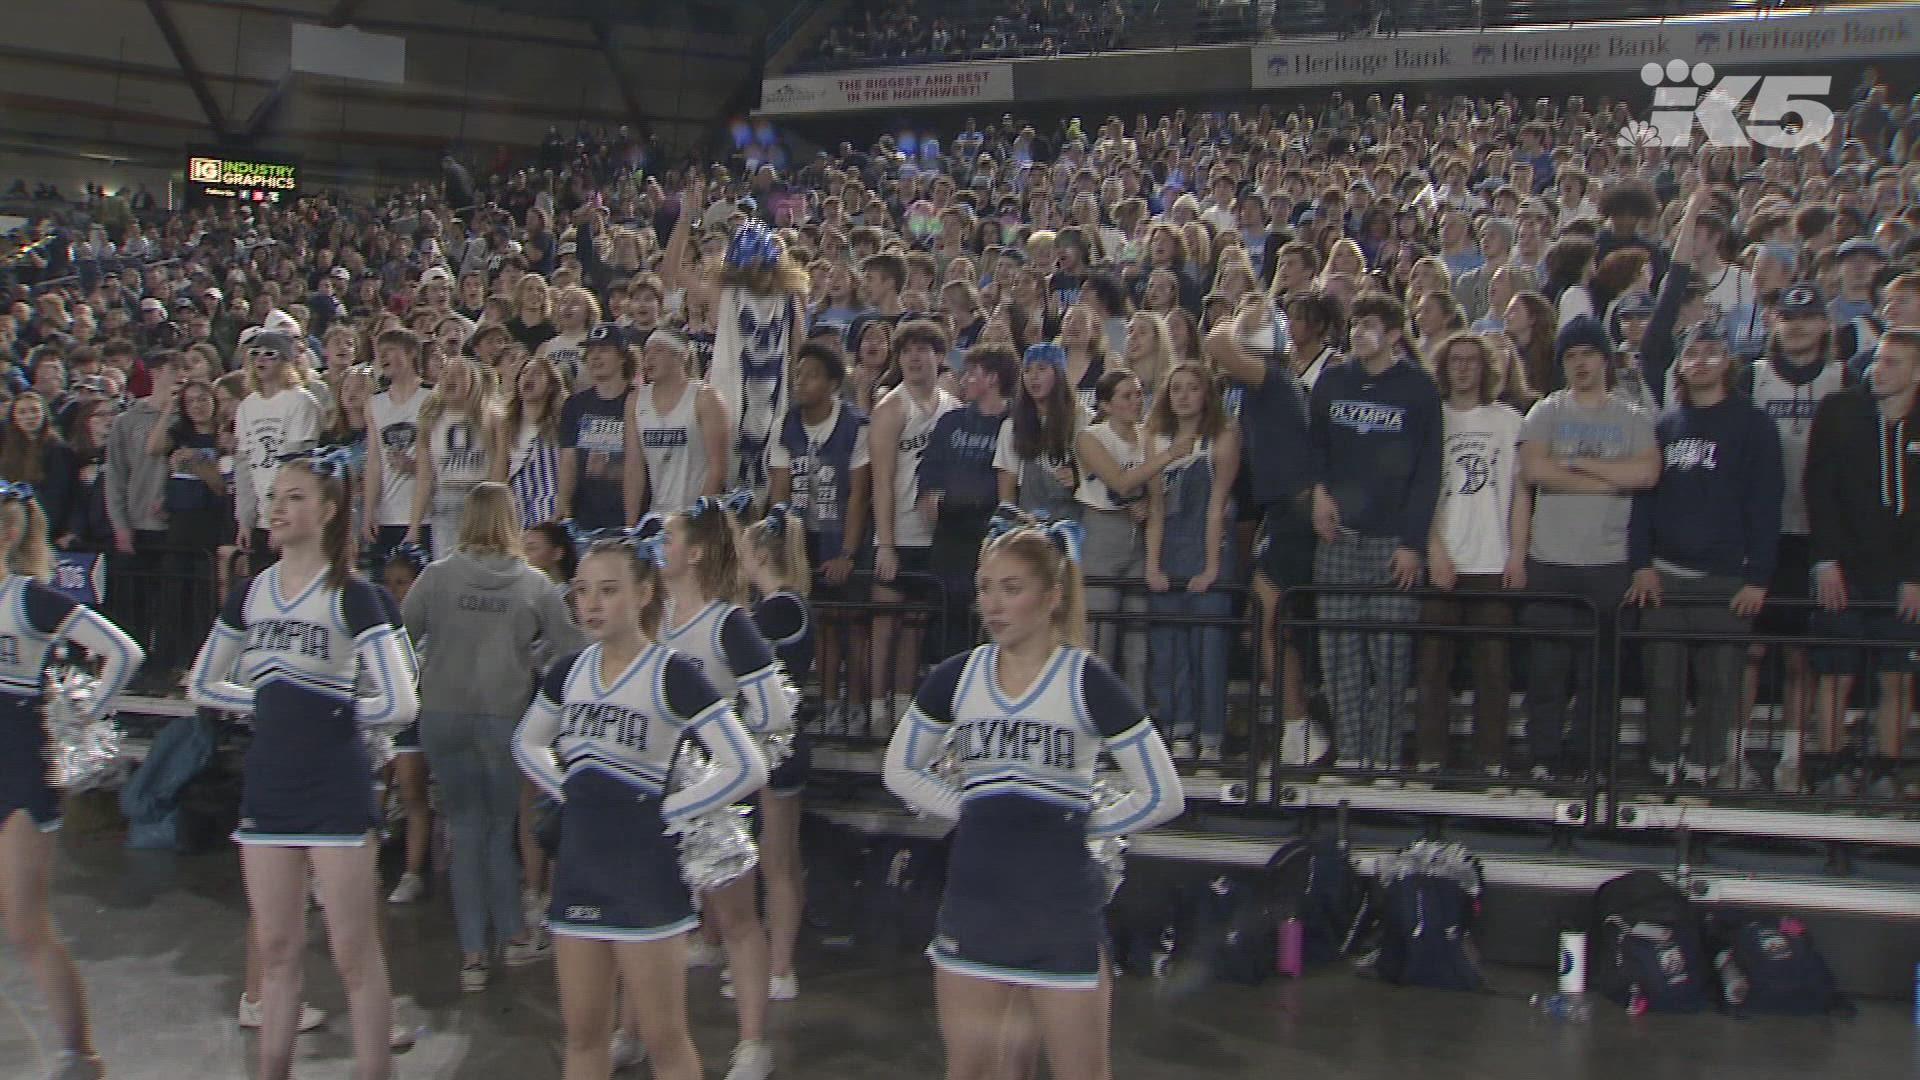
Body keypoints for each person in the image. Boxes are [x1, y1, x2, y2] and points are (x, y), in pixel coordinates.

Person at [881, 512, 1184, 1080]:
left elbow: (1163, 794)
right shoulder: (956, 675)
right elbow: (900, 769)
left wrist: (1079, 825)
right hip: (974, 901)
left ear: (1050, 596)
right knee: (972, 1071)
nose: (992, 605)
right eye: (986, 589)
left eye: (1011, 589)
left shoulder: (1085, 680)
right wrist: (973, 808)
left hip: (1060, 910)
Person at [187, 448, 420, 1080]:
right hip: (269, 784)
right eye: (274, 497)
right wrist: (266, 703)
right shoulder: (251, 593)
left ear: (329, 508)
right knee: (277, 951)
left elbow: (401, 699)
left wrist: (330, 711)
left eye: (294, 497)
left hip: (335, 787)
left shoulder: (356, 596)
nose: (278, 508)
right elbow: (203, 684)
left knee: (353, 951)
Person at [513, 531, 766, 1080]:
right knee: (583, 1036)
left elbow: (746, 765)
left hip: (645, 873)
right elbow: (526, 743)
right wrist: (568, 790)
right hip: (579, 868)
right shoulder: (568, 673)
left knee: (664, 1037)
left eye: (608, 590)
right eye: (583, 591)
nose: (592, 604)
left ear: (644, 593)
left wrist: (670, 811)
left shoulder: (672, 673)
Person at [402, 482, 579, 990]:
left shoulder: (436, 577)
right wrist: (533, 666)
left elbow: (398, 637)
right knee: (499, 830)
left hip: (442, 713)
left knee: (465, 828)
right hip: (504, 716)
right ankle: (514, 934)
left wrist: (422, 676)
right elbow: (571, 647)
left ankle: (473, 954)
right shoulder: (535, 584)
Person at [0, 481, 142, 1080]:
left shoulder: (29, 598)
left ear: (10, 532)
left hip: (17, 764)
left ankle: (77, 1052)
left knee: (25, 920)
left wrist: (85, 710)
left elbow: (123, 651)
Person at [654, 496, 793, 1080]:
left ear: (698, 551)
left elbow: (773, 711)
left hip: (709, 796)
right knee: (644, 920)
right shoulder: (649, 613)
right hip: (650, 785)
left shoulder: (726, 622)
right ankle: (635, 1031)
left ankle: (753, 1044)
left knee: (736, 918)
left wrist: (733, 771)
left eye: (668, 539)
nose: (658, 550)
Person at [1625, 321, 1783, 787]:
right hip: (1666, 575)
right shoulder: (1666, 425)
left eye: (1711, 353)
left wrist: (1759, 576)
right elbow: (1644, 501)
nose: (1700, 362)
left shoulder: (1754, 425)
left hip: (1727, 578)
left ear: (1729, 361)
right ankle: (1662, 766)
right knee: (1663, 683)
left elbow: (1766, 503)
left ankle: (1704, 770)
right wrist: (1640, 565)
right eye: (1691, 354)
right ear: (1680, 364)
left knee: (1719, 684)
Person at [1517, 316, 1661, 780]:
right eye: (1572, 357)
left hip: (1609, 562)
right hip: (1550, 560)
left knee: (1600, 674)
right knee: (1546, 672)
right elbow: (1536, 471)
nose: (1580, 364)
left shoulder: (1633, 417)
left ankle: (1590, 761)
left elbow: (1647, 476)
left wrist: (1576, 464)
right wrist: (1609, 475)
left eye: (1588, 355)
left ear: (1606, 360)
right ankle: (1543, 758)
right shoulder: (1546, 411)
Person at [1308, 293, 1443, 770]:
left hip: (1392, 543)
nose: (1359, 331)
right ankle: (1350, 756)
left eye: (1369, 324)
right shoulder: (1332, 381)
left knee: (1388, 660)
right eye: (1355, 322)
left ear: (1393, 334)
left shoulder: (1419, 389)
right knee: (1339, 660)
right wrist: (1319, 492)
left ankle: (1383, 761)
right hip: (1339, 540)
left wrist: (1413, 543)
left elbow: (1429, 473)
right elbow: (1315, 448)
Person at [1804, 326, 1920, 798]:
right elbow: (1818, 489)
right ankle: (1830, 766)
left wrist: (1916, 576)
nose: (1878, 368)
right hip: (1844, 566)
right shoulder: (1839, 410)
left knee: (1898, 672)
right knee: (1836, 670)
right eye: (1878, 359)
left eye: (1893, 362)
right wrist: (1825, 561)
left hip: (1903, 574)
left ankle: (1888, 771)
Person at [1416, 331, 1528, 776]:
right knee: (1432, 667)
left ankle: (1492, 760)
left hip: (1492, 559)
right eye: (1455, 360)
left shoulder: (1508, 420)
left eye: (1471, 361)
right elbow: (1419, 493)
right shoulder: (1432, 419)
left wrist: (1516, 554)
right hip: (1444, 556)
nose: (1463, 368)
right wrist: (1434, 549)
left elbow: (1521, 493)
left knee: (1494, 668)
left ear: (1486, 369)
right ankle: (1429, 757)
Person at [666, 175, 806, 499]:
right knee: (728, 485)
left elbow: (799, 354)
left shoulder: (785, 299)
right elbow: (671, 273)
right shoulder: (727, 292)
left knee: (765, 492)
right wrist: (685, 218)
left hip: (771, 402)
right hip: (732, 400)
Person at [769, 343, 872, 737]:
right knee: (820, 625)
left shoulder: (854, 425)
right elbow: (779, 493)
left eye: (811, 374)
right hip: (801, 539)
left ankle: (859, 705)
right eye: (798, 374)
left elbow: (859, 495)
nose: (801, 382)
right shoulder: (787, 425)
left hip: (841, 536)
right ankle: (827, 704)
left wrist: (847, 552)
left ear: (832, 383)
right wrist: (783, 548)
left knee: (852, 622)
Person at [1143, 362, 1240, 767]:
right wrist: (1152, 564)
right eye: (1175, 388)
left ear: (1206, 394)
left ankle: (1211, 735)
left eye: (1192, 388)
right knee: (1169, 648)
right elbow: (1156, 507)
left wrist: (1212, 567)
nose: (1182, 396)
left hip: (1208, 546)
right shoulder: (1156, 438)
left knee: (1208, 647)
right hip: (1169, 548)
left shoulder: (1223, 436)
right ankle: (1178, 730)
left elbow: (1217, 505)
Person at [869, 319, 960, 733]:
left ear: (939, 357)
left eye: (923, 350)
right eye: (906, 351)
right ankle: (874, 707)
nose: (914, 357)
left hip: (936, 534)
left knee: (916, 625)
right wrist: (885, 544)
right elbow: (881, 481)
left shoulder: (952, 407)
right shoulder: (890, 407)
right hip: (898, 531)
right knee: (886, 622)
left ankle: (904, 708)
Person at [738, 505, 813, 1005]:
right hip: (760, 740)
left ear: (762, 553)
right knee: (762, 858)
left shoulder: (782, 608)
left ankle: (781, 967)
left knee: (778, 861)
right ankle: (762, 959)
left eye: (743, 551)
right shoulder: (773, 606)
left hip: (778, 742)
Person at [233, 331, 323, 575]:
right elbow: (244, 467)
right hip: (261, 519)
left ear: (285, 361)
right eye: (255, 354)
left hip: (291, 519)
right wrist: (245, 520)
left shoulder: (300, 402)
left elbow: (298, 468)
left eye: (269, 354)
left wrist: (282, 519)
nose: (261, 360)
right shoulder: (246, 406)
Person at [378, 543, 435, 906]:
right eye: (389, 583)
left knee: (413, 792)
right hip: (380, 720)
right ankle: (366, 866)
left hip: (414, 718)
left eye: (402, 583)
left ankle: (413, 873)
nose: (394, 591)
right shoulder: (376, 624)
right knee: (373, 792)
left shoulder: (432, 627)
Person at [625, 329, 727, 515]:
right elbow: (634, 466)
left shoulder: (705, 397)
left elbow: (717, 467)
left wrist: (698, 520)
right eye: (646, 352)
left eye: (658, 351)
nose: (649, 358)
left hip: (695, 514)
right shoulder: (635, 400)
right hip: (657, 514)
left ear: (681, 356)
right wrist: (631, 525)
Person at [409, 355, 500, 558]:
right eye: (445, 373)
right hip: (446, 497)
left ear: (473, 381)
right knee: (449, 571)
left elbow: (499, 468)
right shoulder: (429, 419)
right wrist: (414, 527)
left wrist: (494, 509)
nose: (450, 378)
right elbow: (424, 478)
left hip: (481, 498)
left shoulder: (492, 416)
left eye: (459, 374)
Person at [557, 323, 637, 531]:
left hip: (629, 512)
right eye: (591, 351)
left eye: (604, 350)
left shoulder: (640, 401)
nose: (595, 357)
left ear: (622, 357)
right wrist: (563, 505)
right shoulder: (575, 404)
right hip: (584, 515)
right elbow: (569, 460)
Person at [996, 342, 1083, 523]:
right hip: (1030, 524)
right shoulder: (1012, 426)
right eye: (1027, 370)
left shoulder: (1083, 420)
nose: (1033, 377)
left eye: (1041, 369)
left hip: (1075, 526)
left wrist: (1079, 476)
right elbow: (1007, 491)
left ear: (1059, 374)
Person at [365, 328, 430, 564]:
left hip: (426, 516)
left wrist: (415, 467)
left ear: (411, 353)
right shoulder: (375, 403)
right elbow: (373, 461)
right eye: (379, 352)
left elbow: (440, 456)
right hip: (387, 515)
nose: (383, 357)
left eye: (390, 350)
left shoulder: (431, 397)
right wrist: (369, 511)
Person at [494, 352, 568, 529]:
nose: (528, 377)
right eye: (525, 372)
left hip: (550, 508)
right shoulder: (507, 423)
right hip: (515, 507)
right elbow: (500, 469)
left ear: (551, 386)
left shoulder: (562, 422)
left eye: (537, 373)